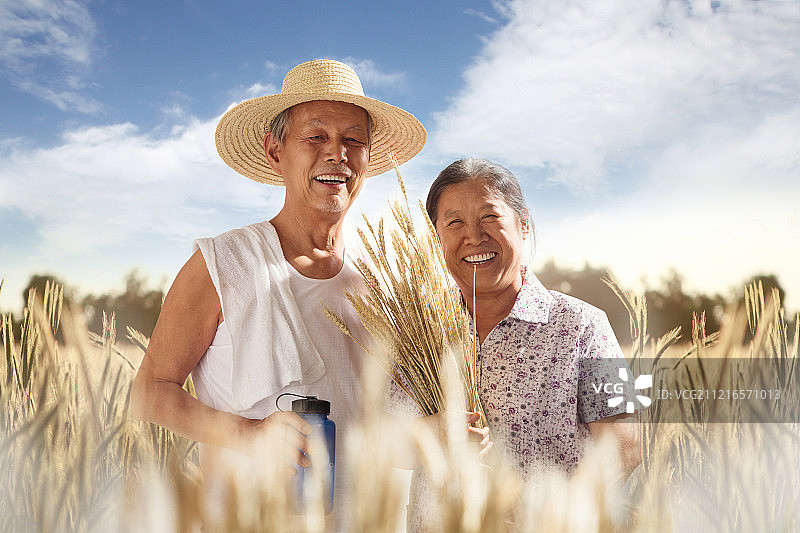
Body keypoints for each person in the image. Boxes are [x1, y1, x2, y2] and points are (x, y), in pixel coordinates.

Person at [130, 59, 426, 529]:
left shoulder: (378, 287)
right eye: (316, 137)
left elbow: (387, 420)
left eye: (353, 139)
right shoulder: (222, 265)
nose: (338, 154)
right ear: (275, 151)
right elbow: (149, 393)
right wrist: (251, 435)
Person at [403, 158, 640, 531]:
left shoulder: (584, 326)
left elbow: (625, 449)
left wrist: (552, 517)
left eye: (490, 218)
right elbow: (384, 438)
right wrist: (426, 435)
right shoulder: (417, 333)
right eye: (454, 222)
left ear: (524, 224)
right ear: (437, 237)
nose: (474, 237)